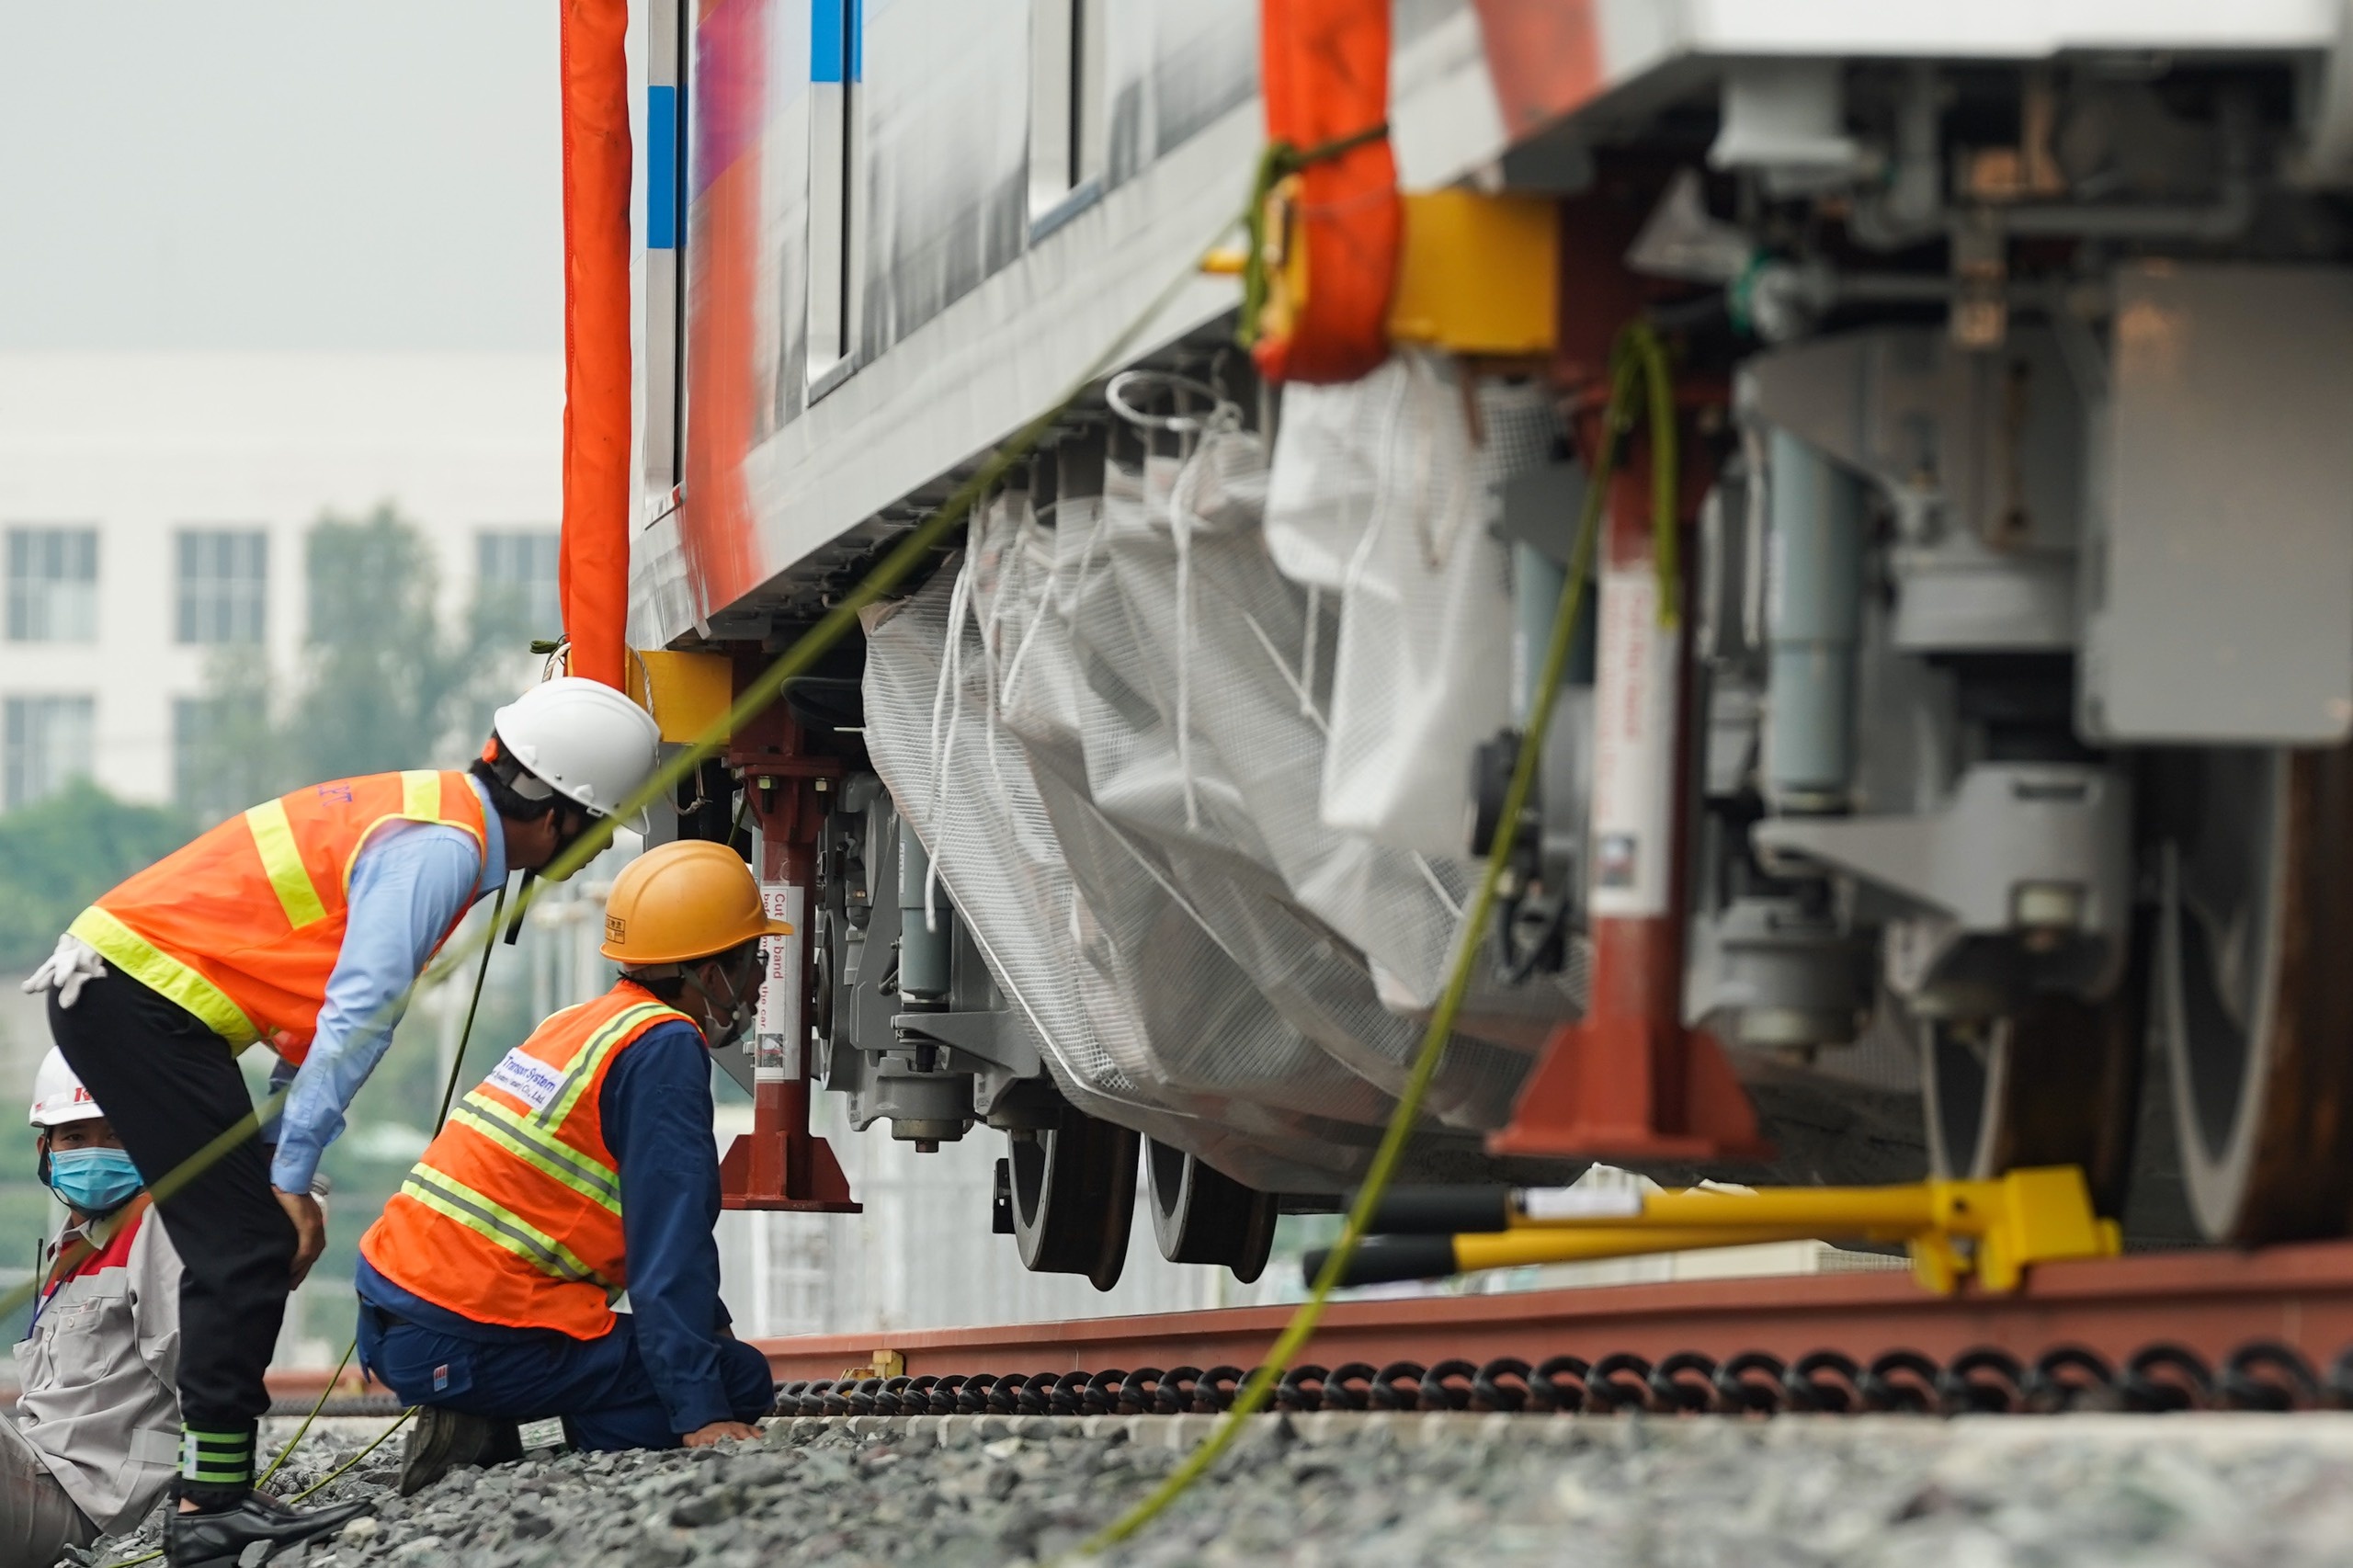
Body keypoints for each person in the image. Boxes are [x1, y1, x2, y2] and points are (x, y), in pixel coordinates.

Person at [18, 676, 660, 1566]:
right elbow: (359, 1014)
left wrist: (287, 1171)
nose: (587, 856)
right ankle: (211, 1506)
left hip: (133, 993)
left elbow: (311, 1011)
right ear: (555, 817)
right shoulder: (441, 848)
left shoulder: (437, 821)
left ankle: (217, 1493)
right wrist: (287, 1182)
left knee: (240, 1240)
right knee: (241, 1244)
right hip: (132, 998)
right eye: (593, 831)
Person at [354, 839, 784, 1494]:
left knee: (698, 1359)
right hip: (461, 1339)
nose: (758, 982)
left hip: (403, 1318)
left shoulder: (586, 1022)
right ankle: (495, 1418)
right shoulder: (664, 1048)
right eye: (753, 959)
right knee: (740, 1380)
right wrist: (703, 1413)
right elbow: (669, 1240)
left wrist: (708, 1327)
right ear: (706, 969)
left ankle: (487, 1418)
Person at [0, 1051, 183, 1566]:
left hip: (90, 1506)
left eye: (117, 1136)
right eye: (75, 1138)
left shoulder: (155, 1229)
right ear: (47, 1150)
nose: (96, 1153)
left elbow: (201, 1368)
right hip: (36, 1476)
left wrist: (214, 1496)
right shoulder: (70, 1252)